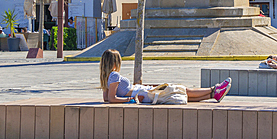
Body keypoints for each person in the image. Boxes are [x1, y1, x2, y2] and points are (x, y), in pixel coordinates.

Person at [99, 50, 231, 103]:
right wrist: (131, 100)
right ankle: (214, 89)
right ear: (115, 62)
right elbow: (111, 99)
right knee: (181, 90)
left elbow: (106, 98)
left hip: (145, 92)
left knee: (178, 95)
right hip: (145, 94)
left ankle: (213, 95)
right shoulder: (114, 75)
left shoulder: (107, 77)